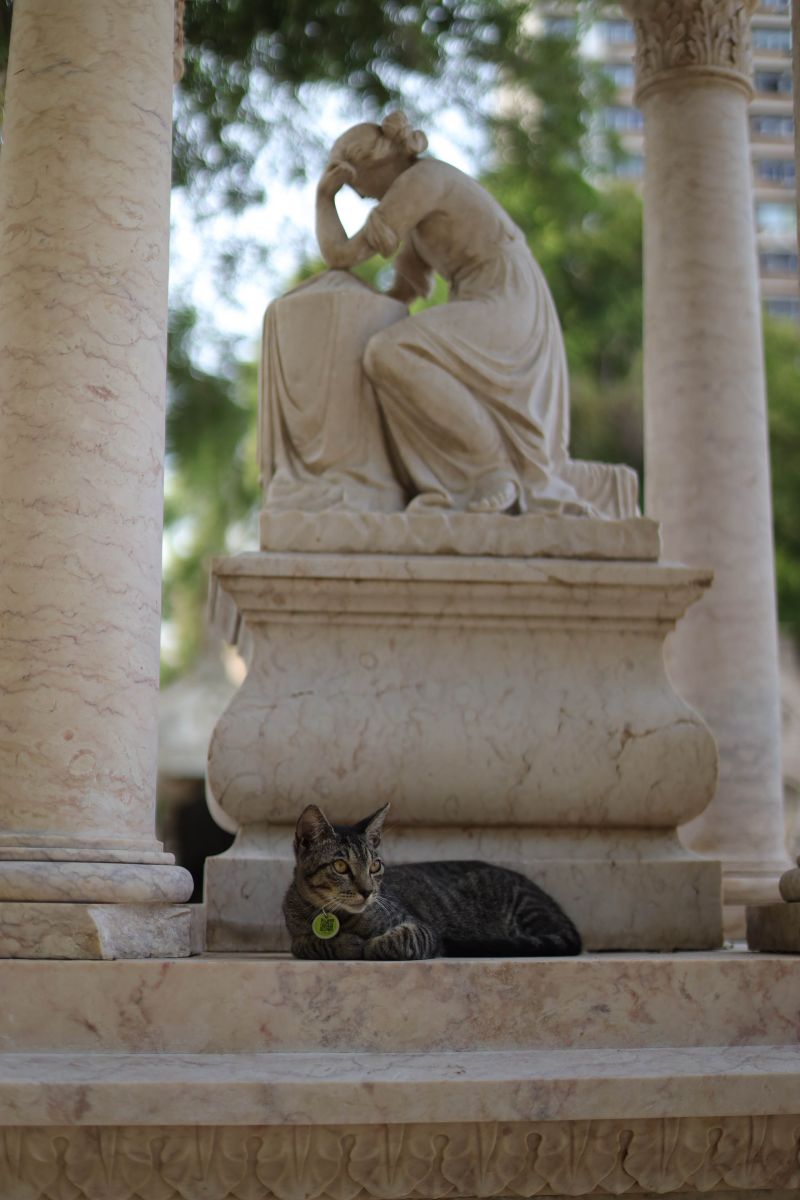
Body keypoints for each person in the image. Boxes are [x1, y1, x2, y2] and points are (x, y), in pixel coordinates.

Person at [315, 112, 594, 515]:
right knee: (387, 353)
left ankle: (493, 472)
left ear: (376, 165)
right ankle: (460, 476)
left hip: (506, 299)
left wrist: (325, 198)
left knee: (390, 353)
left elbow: (341, 256)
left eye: (353, 181)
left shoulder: (422, 182)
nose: (356, 195)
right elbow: (405, 292)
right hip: (486, 297)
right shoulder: (415, 208)